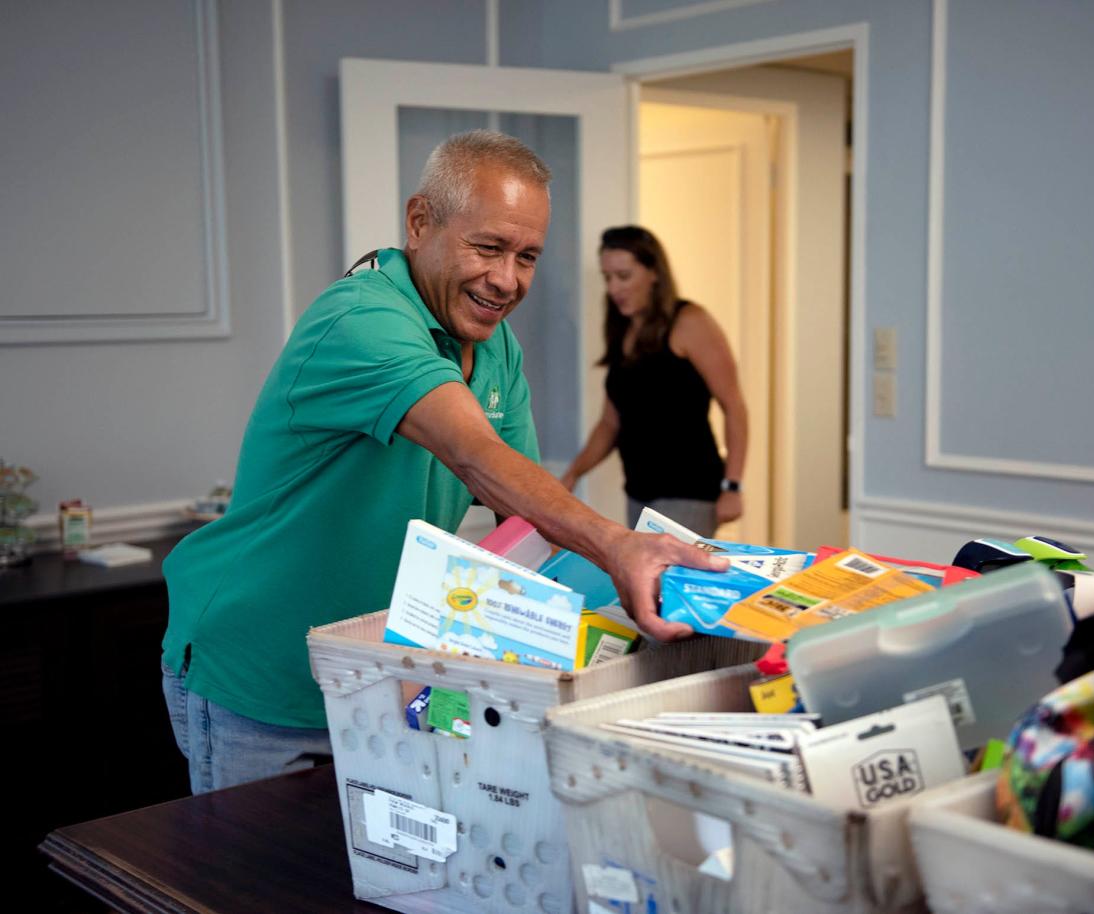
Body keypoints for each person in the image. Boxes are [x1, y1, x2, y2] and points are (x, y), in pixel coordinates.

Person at [160, 132, 726, 794]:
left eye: (527, 257)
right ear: (420, 221)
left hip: (376, 669)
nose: (507, 280)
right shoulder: (360, 320)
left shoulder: (494, 347)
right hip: (261, 674)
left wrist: (644, 606)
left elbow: (523, 506)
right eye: (487, 248)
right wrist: (619, 546)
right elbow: (474, 454)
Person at [561, 226, 748, 536]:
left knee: (661, 582)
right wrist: (572, 474)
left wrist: (733, 485)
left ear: (653, 273)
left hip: (688, 493)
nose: (613, 288)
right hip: (638, 493)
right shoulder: (623, 332)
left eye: (623, 276)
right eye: (608, 278)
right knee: (645, 584)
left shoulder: (690, 322)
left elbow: (734, 406)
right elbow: (610, 423)